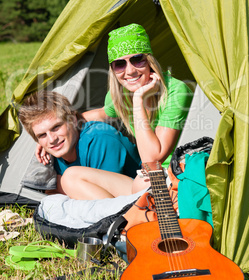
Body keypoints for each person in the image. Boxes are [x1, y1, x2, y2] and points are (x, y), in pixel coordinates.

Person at [36, 24, 193, 195]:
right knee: (65, 179)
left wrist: (139, 99)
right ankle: (113, 219)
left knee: (142, 182)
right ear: (112, 69)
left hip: (176, 174)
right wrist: (51, 134)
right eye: (120, 64)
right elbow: (100, 114)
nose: (130, 71)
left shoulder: (176, 91)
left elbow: (152, 160)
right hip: (143, 177)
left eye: (137, 59)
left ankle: (120, 216)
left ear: (149, 61)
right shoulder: (120, 94)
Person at [19, 90, 141, 199]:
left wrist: (61, 186)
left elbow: (113, 198)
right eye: (42, 135)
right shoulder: (49, 153)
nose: (52, 139)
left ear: (73, 120)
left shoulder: (99, 138)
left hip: (143, 193)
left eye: (56, 127)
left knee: (69, 178)